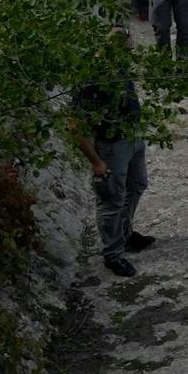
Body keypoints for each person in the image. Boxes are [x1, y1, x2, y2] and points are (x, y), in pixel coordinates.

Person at [72, 50, 151, 278]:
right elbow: (74, 126)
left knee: (136, 185)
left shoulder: (118, 64)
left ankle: (125, 234)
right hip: (111, 146)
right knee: (111, 199)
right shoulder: (87, 82)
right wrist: (96, 161)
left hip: (133, 136)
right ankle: (113, 254)